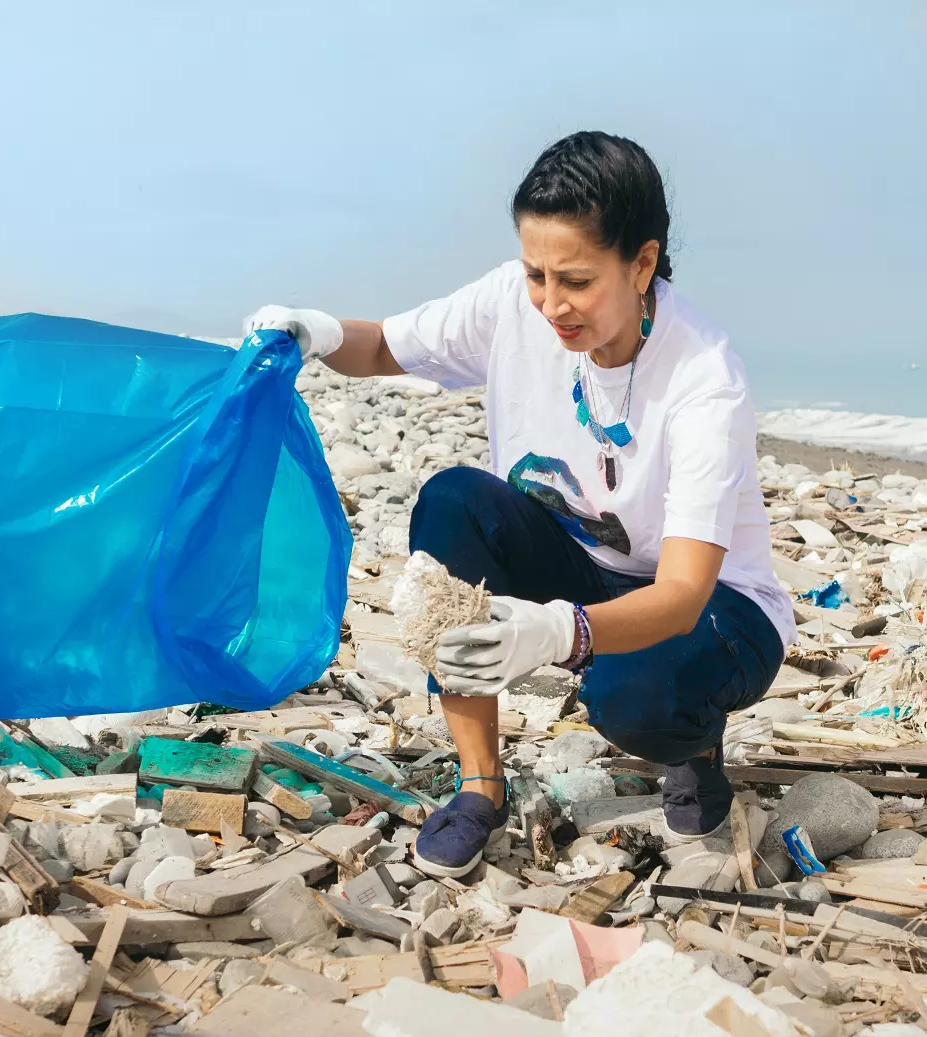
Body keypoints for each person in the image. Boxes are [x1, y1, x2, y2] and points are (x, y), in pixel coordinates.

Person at [243, 131, 793, 877]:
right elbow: (381, 349)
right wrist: (315, 331)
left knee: (630, 697)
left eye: (575, 280)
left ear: (642, 263)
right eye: (537, 274)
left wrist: (554, 630)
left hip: (718, 611)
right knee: (452, 503)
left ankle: (691, 743)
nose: (550, 304)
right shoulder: (513, 304)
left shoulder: (703, 378)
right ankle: (479, 787)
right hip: (586, 563)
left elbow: (682, 594)